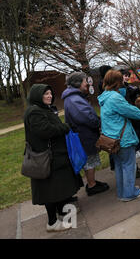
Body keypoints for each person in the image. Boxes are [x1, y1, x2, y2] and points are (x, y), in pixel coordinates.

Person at [24, 84, 82, 232]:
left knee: (56, 188)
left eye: (50, 93)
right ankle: (52, 223)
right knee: (49, 191)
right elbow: (45, 131)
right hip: (46, 159)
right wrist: (65, 127)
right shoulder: (34, 112)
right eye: (46, 94)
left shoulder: (43, 109)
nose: (49, 96)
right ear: (37, 95)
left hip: (54, 157)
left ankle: (61, 212)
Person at [98, 70, 140, 202]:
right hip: (123, 139)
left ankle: (122, 191)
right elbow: (131, 111)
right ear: (117, 82)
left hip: (111, 139)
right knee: (129, 165)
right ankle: (129, 193)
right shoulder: (114, 98)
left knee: (119, 166)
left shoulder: (105, 96)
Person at [62, 72, 109, 197]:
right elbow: (86, 117)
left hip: (84, 134)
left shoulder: (74, 97)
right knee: (89, 161)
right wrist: (98, 122)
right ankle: (92, 185)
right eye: (84, 81)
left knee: (90, 161)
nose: (87, 83)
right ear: (78, 83)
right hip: (84, 136)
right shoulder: (74, 99)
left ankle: (92, 182)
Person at [119, 68, 140, 178]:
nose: (126, 78)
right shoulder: (120, 90)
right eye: (124, 76)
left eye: (127, 76)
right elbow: (126, 103)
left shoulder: (125, 87)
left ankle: (137, 148)